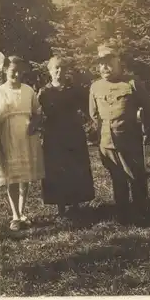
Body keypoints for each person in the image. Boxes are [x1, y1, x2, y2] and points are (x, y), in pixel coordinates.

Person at [89, 42, 150, 224]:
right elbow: (94, 114)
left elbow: (148, 107)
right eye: (101, 63)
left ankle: (142, 212)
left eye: (108, 62)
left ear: (118, 62)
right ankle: (123, 214)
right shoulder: (95, 87)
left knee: (136, 176)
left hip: (130, 139)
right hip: (107, 141)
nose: (104, 67)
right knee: (117, 177)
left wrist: (145, 129)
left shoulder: (132, 83)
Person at [38, 56, 95, 217]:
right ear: (49, 71)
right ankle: (60, 205)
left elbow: (88, 109)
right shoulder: (44, 92)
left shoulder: (73, 90)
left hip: (73, 133)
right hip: (53, 136)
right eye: (55, 68)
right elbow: (37, 113)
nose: (59, 71)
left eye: (62, 68)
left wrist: (91, 124)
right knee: (56, 169)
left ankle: (76, 202)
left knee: (74, 168)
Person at [0, 56, 45, 231]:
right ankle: (15, 215)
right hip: (8, 138)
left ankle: (23, 212)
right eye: (12, 72)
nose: (16, 75)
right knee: (12, 176)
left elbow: (38, 111)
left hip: (27, 137)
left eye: (19, 71)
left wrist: (34, 124)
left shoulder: (28, 90)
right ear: (4, 71)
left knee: (25, 176)